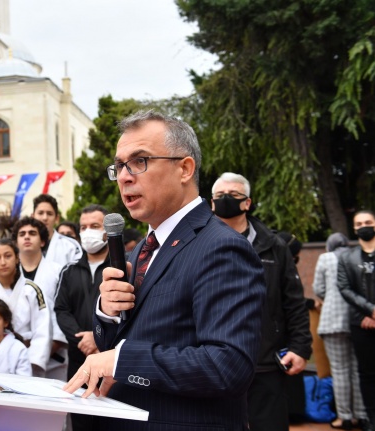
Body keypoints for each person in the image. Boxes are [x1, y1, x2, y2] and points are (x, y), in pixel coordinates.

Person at [63, 111, 266, 431]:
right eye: (119, 166)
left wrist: (122, 360)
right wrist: (107, 313)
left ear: (184, 168)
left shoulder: (221, 247)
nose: (125, 176)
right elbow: (113, 344)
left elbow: (227, 367)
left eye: (140, 161)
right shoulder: (138, 251)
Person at [211, 172, 312, 431]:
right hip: (212, 361)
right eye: (219, 196)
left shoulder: (274, 246)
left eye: (233, 195)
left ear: (247, 202)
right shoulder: (197, 243)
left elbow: (293, 300)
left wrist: (300, 348)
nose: (225, 200)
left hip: (265, 362)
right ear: (211, 203)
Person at [55, 204, 111, 431]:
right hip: (79, 359)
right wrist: (83, 339)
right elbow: (61, 309)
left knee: (111, 419)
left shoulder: (123, 266)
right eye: (84, 227)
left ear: (107, 230)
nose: (88, 232)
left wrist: (98, 338)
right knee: (81, 420)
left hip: (110, 359)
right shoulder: (69, 270)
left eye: (95, 226)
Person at [0, 239, 51, 377]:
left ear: (17, 258)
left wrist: (33, 360)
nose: (2, 262)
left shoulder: (31, 290)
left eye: (8, 256)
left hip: (25, 353)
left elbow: (42, 328)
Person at [314, 233, 367, 430]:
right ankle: (362, 415)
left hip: (332, 320)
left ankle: (344, 417)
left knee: (339, 370)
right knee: (358, 369)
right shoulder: (356, 257)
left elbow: (318, 288)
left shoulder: (325, 258)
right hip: (358, 319)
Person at [11, 216, 67, 380]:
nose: (27, 236)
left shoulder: (59, 272)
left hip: (53, 353)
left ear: (42, 241)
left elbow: (64, 310)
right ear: (16, 242)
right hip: (15, 350)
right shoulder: (6, 274)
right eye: (22, 234)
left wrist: (51, 346)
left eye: (32, 233)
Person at [338, 210, 375, 431]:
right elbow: (344, 288)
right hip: (361, 323)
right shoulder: (346, 257)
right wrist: (369, 312)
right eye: (359, 223)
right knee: (367, 373)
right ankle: (371, 419)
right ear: (354, 228)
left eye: (368, 222)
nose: (364, 226)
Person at [32, 194, 82, 267]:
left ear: (57, 218)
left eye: (49, 214)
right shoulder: (22, 245)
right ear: (33, 216)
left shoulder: (70, 246)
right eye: (40, 213)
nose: (45, 218)